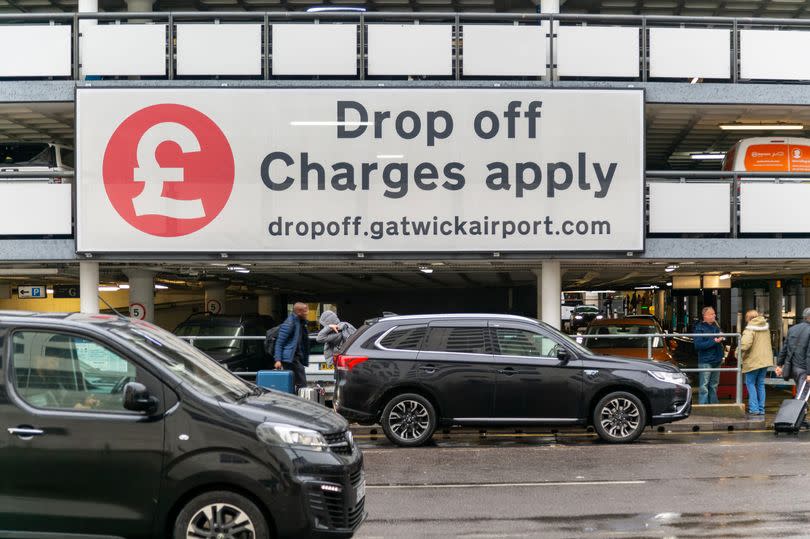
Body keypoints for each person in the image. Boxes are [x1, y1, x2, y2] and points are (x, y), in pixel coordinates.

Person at [20, 353, 100, 410]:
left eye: (57, 361)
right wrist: (84, 408)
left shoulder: (50, 378)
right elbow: (46, 413)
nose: (56, 364)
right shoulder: (30, 383)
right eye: (53, 360)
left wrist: (84, 400)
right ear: (38, 359)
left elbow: (64, 396)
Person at [739, 309, 772, 417]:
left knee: (750, 383)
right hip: (765, 360)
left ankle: (754, 409)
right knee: (760, 384)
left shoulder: (750, 329)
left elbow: (745, 345)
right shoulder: (765, 328)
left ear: (748, 318)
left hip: (753, 361)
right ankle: (761, 409)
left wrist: (736, 352)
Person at [274, 302, 310, 391]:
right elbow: (279, 342)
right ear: (299, 312)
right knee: (301, 383)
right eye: (305, 311)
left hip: (295, 357)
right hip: (289, 359)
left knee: (296, 382)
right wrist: (278, 360)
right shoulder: (289, 323)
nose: (307, 313)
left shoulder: (300, 322)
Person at [693, 306, 724, 405]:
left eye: (714, 313)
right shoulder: (699, 328)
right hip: (705, 360)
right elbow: (698, 345)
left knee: (714, 385)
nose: (714, 315)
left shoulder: (716, 327)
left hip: (717, 359)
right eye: (711, 314)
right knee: (704, 385)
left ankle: (714, 404)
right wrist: (714, 341)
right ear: (705, 316)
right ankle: (703, 405)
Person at [775, 307, 810, 390]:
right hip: (804, 368)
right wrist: (809, 373)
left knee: (801, 391)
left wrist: (779, 365)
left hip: (793, 367)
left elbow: (785, 348)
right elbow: (809, 354)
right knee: (802, 395)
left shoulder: (792, 329)